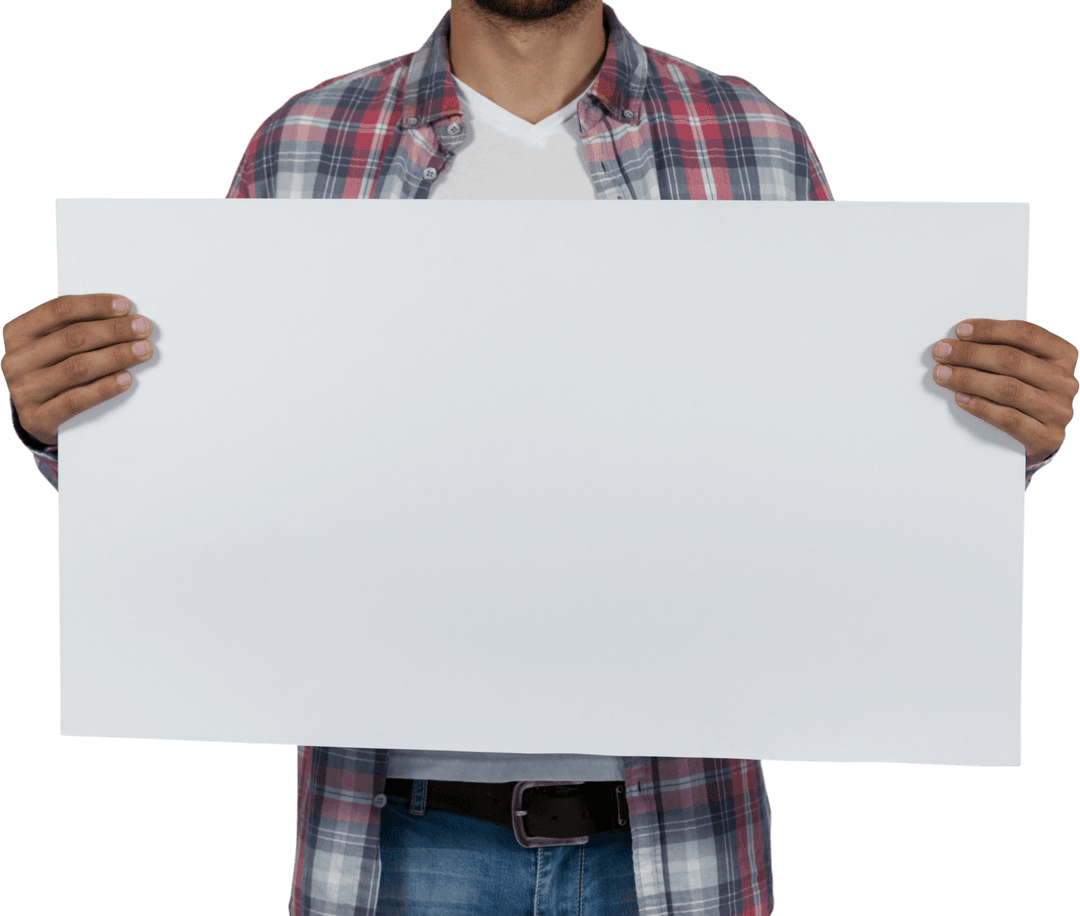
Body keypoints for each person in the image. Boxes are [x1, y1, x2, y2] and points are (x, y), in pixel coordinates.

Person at [3, 2, 1077, 914]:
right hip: (394, 841)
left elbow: (843, 460)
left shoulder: (755, 137)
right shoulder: (304, 140)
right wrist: (67, 426)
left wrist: (988, 445)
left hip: (673, 836)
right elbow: (220, 467)